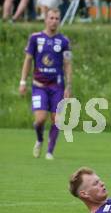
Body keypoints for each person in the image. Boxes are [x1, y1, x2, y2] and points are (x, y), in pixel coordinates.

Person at [18, 8, 72, 160]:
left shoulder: (64, 41)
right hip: (39, 85)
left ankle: (49, 151)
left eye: (57, 18)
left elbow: (67, 63)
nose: (54, 21)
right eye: (51, 18)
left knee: (56, 119)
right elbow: (28, 60)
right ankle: (40, 139)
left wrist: (69, 86)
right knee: (40, 119)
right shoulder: (35, 38)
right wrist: (22, 81)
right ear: (45, 20)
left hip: (57, 86)